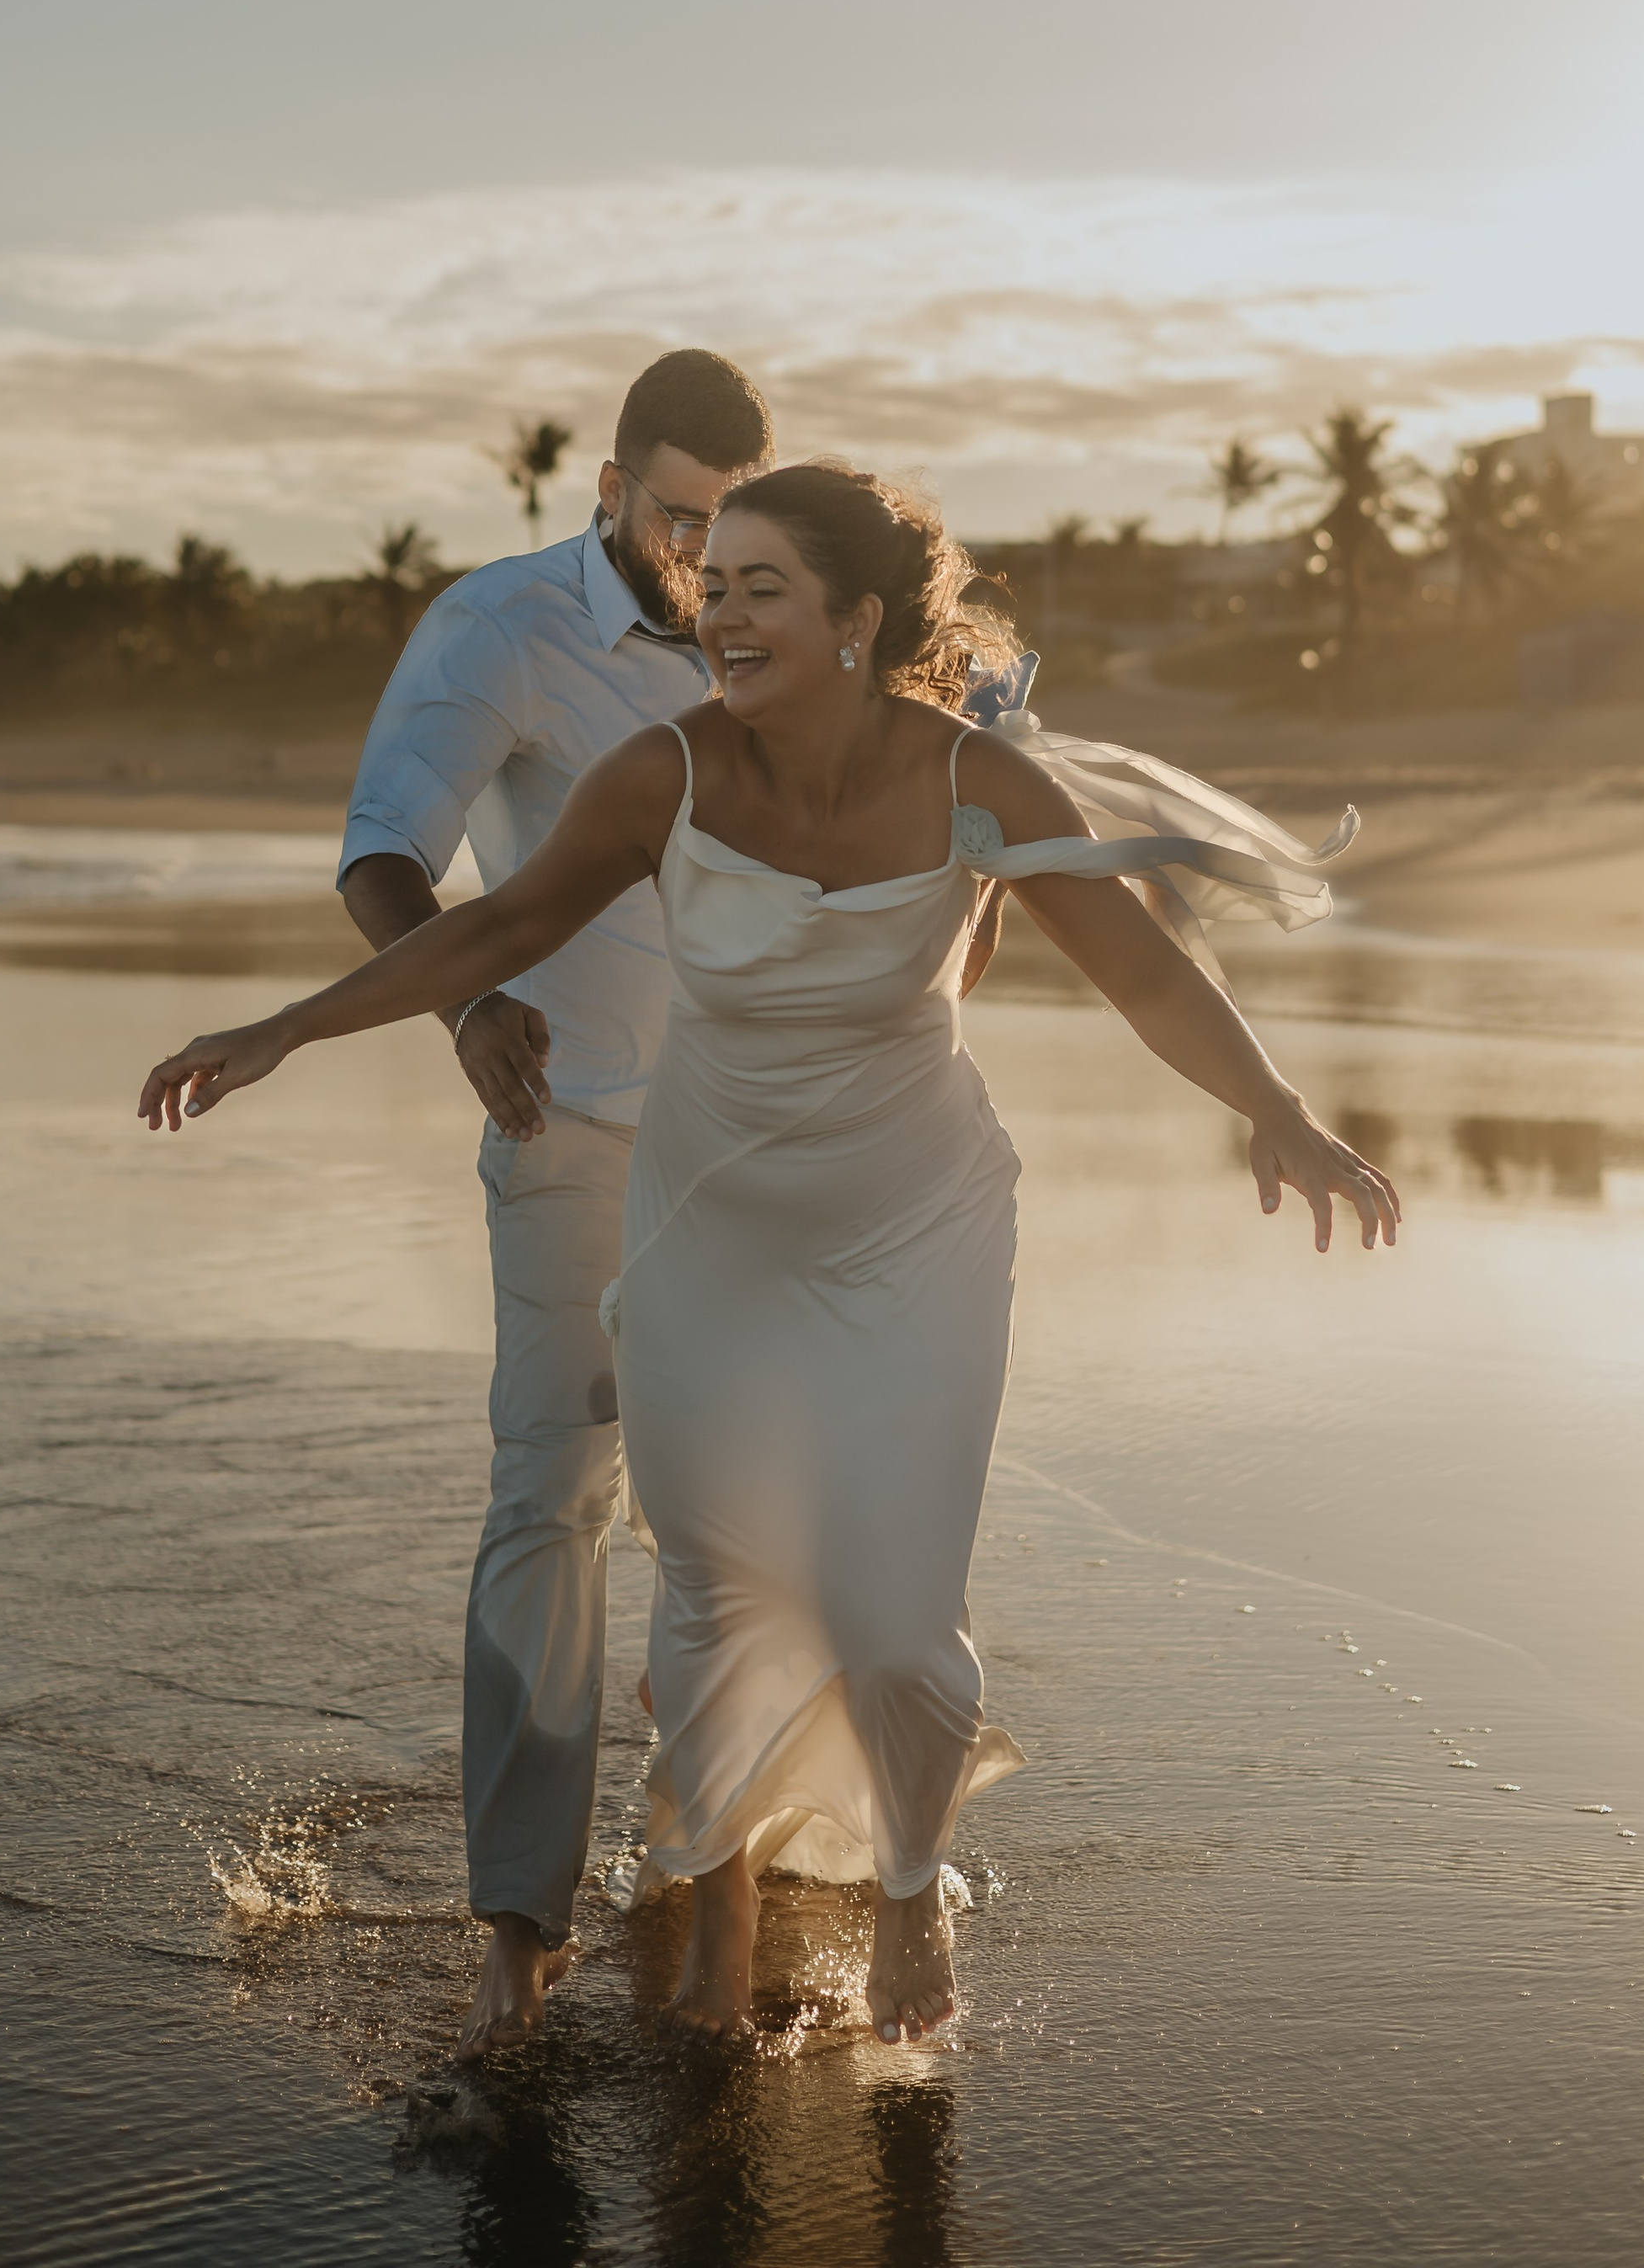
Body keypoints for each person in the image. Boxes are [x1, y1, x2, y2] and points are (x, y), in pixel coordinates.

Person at [141, 461, 1397, 2050]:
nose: (719, 616)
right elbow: (494, 927)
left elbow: (1142, 972)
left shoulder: (979, 786)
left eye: (759, 590)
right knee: (722, 1594)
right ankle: (718, 1946)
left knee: (890, 1610)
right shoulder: (662, 773)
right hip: (709, 1229)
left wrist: (1277, 1111)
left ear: (858, 623)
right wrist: (284, 1029)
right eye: (709, 585)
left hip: (915, 1223)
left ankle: (904, 1883)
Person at [334, 347, 774, 2052]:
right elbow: (384, 845)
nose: (700, 555)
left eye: (728, 523)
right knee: (551, 1502)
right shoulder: (498, 628)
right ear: (606, 489)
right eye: (674, 517)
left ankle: (708, 1866)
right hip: (572, 1131)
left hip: (764, 1153)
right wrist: (460, 999)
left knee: (747, 1521)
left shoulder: (782, 615)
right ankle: (520, 1925)